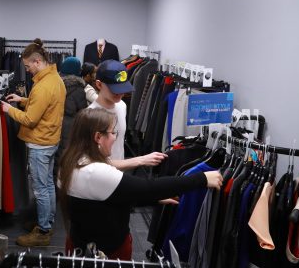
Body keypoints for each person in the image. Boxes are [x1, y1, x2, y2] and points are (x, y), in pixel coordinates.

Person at [58, 108, 223, 259]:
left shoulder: (71, 162)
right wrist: (202, 179)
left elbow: (105, 198)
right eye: (112, 132)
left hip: (81, 243)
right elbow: (150, 188)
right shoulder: (95, 172)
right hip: (104, 255)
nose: (115, 137)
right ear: (97, 137)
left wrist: (154, 200)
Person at [1, 38, 66, 247]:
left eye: (28, 66)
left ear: (37, 62)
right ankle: (46, 222)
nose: (27, 70)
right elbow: (43, 104)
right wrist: (23, 101)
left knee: (40, 189)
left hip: (40, 144)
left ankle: (43, 232)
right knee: (48, 185)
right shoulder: (55, 78)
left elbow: (30, 119)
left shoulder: (42, 86)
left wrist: (9, 110)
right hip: (50, 139)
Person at [89, 59, 167, 171]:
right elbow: (91, 162)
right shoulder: (90, 116)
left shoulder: (121, 106)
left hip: (119, 174)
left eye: (123, 88)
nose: (121, 93)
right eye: (114, 89)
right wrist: (141, 160)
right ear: (99, 84)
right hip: (99, 176)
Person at [53, 57, 88, 182]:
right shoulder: (79, 90)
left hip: (52, 125)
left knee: (53, 159)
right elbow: (83, 113)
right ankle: (64, 189)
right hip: (70, 129)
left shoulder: (53, 84)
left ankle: (54, 189)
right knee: (67, 158)